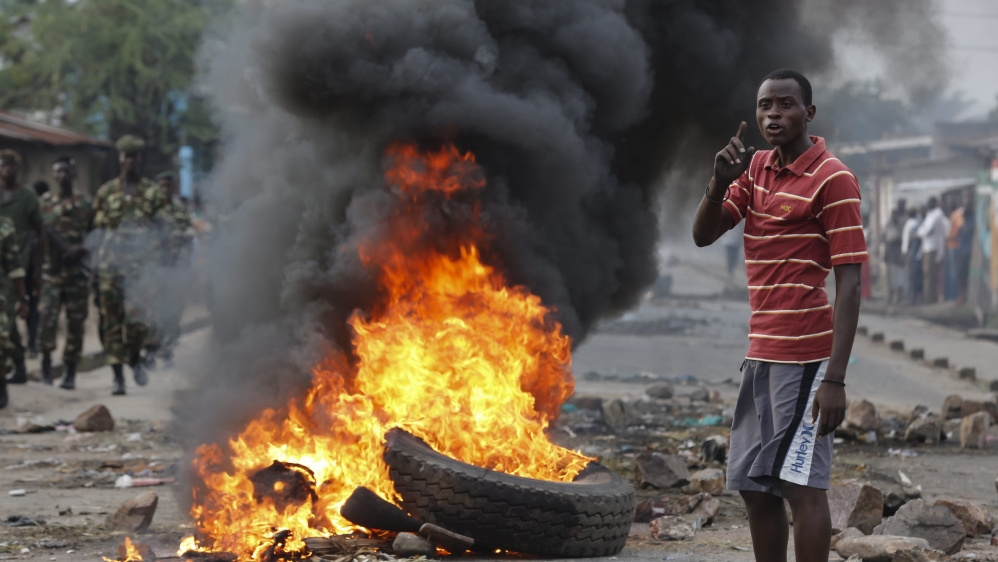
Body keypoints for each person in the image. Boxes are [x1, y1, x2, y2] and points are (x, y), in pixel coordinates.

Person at [691, 69, 865, 562]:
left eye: (786, 105)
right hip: (761, 355)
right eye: (765, 105)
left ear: (808, 113)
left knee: (800, 486)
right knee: (753, 484)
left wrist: (835, 380)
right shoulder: (755, 169)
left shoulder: (834, 178)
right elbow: (704, 235)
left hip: (807, 360)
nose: (773, 115)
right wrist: (718, 182)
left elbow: (849, 284)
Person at [93, 135, 166, 396]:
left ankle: (134, 357)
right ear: (120, 159)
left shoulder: (152, 192)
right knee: (111, 322)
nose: (130, 161)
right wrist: (94, 266)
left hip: (141, 271)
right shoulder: (106, 192)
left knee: (137, 324)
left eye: (135, 157)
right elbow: (99, 231)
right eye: (126, 156)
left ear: (139, 160)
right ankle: (118, 378)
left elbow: (162, 228)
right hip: (110, 267)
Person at [38, 156, 94, 388]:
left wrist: (79, 249)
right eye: (57, 172)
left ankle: (70, 372)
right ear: (53, 175)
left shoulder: (84, 204)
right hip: (51, 272)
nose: (61, 175)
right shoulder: (44, 203)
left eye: (65, 171)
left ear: (73, 173)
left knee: (75, 322)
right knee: (47, 320)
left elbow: (97, 234)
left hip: (76, 275)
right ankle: (46, 369)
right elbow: (37, 235)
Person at [0, 150, 44, 387]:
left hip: (18, 266)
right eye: (3, 166)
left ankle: (14, 369)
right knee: (5, 322)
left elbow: (40, 233)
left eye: (11, 166)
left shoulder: (27, 196)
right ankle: (18, 365)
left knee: (9, 319)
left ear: (18, 169)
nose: (7, 170)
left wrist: (37, 271)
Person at [145, 170, 192, 366]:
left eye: (168, 185)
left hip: (175, 268)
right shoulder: (149, 209)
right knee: (153, 310)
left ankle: (168, 350)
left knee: (174, 310)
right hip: (154, 268)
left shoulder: (180, 209)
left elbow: (188, 238)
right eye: (161, 186)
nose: (165, 189)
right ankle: (150, 349)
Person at [26, 181, 49, 357]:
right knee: (32, 307)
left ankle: (32, 343)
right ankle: (31, 344)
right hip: (28, 266)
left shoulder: (40, 215)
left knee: (33, 307)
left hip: (33, 266)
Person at [916, 197, 949, 304]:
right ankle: (928, 298)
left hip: (932, 248)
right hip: (927, 248)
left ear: (935, 203)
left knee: (930, 275)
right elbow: (922, 229)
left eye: (930, 202)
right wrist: (920, 232)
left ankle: (930, 299)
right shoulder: (931, 214)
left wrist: (920, 233)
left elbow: (925, 231)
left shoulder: (937, 214)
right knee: (927, 275)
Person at [882, 209, 905, 305]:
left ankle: (899, 298)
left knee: (899, 277)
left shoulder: (901, 226)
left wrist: (895, 239)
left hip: (898, 255)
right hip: (889, 255)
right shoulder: (888, 225)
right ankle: (891, 297)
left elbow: (902, 238)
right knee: (890, 278)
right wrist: (887, 239)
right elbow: (883, 237)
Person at [902, 207, 923, 304]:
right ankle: (909, 296)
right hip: (909, 252)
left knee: (913, 275)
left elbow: (911, 239)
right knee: (910, 275)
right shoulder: (911, 223)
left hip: (912, 253)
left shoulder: (914, 224)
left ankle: (913, 297)